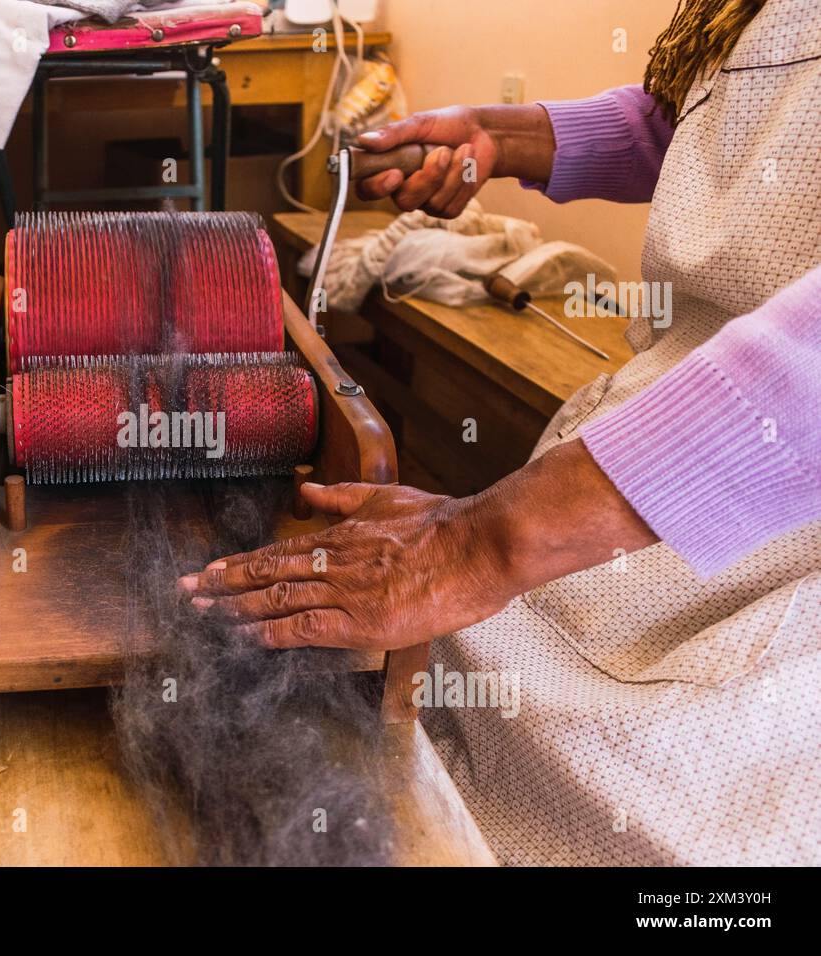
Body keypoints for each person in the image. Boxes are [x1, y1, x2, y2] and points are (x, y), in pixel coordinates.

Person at [180, 0, 821, 864]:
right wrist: (499, 135)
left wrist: (479, 543)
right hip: (652, 447)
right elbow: (720, 125)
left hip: (774, 514)